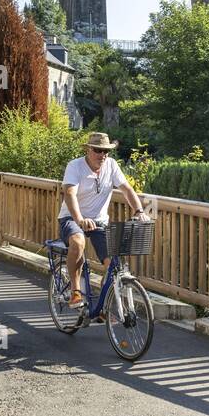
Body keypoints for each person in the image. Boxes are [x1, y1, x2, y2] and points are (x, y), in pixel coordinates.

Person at [59, 132, 150, 310]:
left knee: (112, 265)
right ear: (88, 150)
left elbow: (126, 189)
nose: (102, 155)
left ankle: (102, 306)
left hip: (99, 221)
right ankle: (75, 290)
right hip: (71, 217)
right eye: (98, 150)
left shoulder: (111, 165)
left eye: (106, 151)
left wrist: (139, 211)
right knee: (77, 242)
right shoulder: (75, 166)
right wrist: (80, 219)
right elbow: (70, 194)